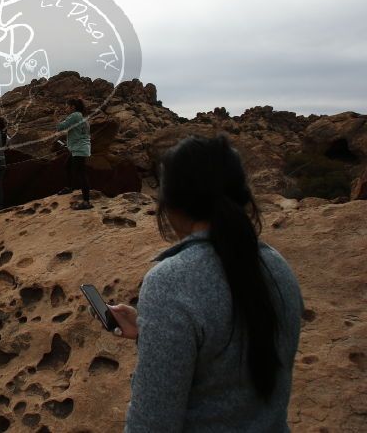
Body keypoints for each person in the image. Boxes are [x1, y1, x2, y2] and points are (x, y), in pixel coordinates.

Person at [109, 135, 303, 432]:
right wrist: (150, 332)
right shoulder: (277, 267)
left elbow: (152, 424)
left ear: (170, 204)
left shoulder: (170, 283)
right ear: (242, 196)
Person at [56, 98, 92, 209]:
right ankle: (69, 187)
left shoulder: (75, 115)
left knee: (81, 174)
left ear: (73, 107)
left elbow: (60, 127)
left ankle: (86, 202)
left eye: (67, 106)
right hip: (79, 148)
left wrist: (55, 117)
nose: (66, 108)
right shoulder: (82, 117)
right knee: (67, 166)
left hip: (79, 149)